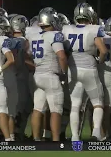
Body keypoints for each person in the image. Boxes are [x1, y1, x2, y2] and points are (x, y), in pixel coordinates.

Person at [62, 2, 108, 141]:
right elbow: (104, 51)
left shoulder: (66, 29)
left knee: (75, 105)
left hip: (73, 69)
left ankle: (75, 137)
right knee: (98, 102)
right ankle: (96, 132)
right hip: (89, 69)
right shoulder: (94, 29)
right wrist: (99, 60)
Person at [29, 7, 67, 141]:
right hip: (51, 76)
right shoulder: (55, 35)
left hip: (38, 76)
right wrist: (64, 72)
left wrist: (36, 65)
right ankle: (56, 140)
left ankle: (36, 139)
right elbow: (61, 56)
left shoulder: (34, 36)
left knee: (38, 109)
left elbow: (26, 56)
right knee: (56, 110)